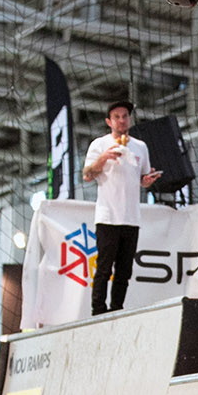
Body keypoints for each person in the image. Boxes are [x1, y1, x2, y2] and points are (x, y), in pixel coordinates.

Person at [83, 101, 162, 316]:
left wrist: (148, 179)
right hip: (108, 216)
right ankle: (98, 310)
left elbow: (142, 179)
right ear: (109, 121)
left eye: (125, 116)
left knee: (124, 270)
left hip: (131, 217)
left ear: (129, 118)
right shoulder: (99, 144)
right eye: (116, 117)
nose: (121, 120)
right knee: (104, 268)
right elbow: (87, 174)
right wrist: (104, 158)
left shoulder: (140, 147)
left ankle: (117, 309)